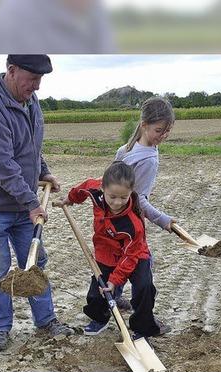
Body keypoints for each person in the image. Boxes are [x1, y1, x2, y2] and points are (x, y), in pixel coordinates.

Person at [0, 54, 73, 351]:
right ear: (11, 71)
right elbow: (3, 164)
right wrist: (31, 202)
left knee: (35, 262)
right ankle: (1, 327)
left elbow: (31, 150)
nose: (36, 87)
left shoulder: (32, 102)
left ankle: (46, 320)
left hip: (20, 204)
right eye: (31, 79)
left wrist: (43, 170)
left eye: (40, 80)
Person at [55, 162, 170, 339]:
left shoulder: (132, 223)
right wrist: (70, 199)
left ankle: (142, 329)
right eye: (113, 197)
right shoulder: (96, 191)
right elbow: (83, 188)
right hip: (106, 250)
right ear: (103, 189)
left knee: (144, 289)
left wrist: (115, 281)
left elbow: (130, 255)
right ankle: (100, 319)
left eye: (124, 198)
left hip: (135, 254)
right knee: (97, 291)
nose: (118, 202)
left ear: (131, 192)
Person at [113, 97, 176, 311]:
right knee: (142, 265)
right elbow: (138, 200)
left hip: (114, 219)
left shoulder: (125, 149)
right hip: (131, 221)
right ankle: (143, 316)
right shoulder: (147, 159)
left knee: (117, 260)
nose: (164, 136)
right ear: (144, 125)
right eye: (159, 130)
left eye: (167, 131)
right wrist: (163, 220)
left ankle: (111, 297)